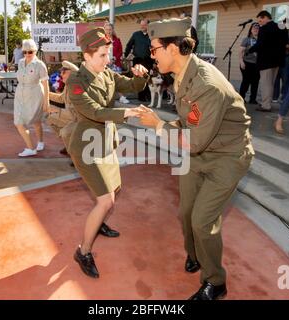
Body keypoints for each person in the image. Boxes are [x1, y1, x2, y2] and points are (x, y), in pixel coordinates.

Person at [139, 18, 254, 300]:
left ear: (173, 49)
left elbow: (194, 140)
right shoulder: (181, 76)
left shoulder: (206, 84)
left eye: (154, 49)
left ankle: (216, 281)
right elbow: (189, 123)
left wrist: (156, 125)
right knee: (185, 213)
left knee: (202, 221)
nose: (151, 55)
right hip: (199, 152)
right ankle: (196, 255)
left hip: (226, 156)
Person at [66, 27, 149, 278]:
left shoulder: (108, 76)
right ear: (87, 56)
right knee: (106, 200)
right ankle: (84, 251)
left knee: (116, 189)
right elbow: (95, 112)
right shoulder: (76, 81)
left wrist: (141, 74)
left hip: (106, 142)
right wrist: (127, 112)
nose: (107, 60)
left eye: (108, 54)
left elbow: (131, 84)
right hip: (87, 147)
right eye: (102, 55)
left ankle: (99, 222)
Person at [13, 39, 50, 157]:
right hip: (20, 94)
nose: (27, 55)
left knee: (36, 121)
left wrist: (46, 101)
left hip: (35, 94)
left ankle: (40, 141)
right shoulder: (20, 62)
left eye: (30, 52)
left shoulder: (40, 65)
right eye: (25, 52)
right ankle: (30, 148)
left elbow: (45, 84)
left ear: (35, 51)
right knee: (19, 122)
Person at [249, 10, 288, 112]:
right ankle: (267, 103)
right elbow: (286, 41)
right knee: (271, 83)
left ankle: (266, 105)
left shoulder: (264, 29)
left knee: (266, 83)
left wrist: (250, 49)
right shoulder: (281, 26)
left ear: (265, 17)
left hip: (265, 61)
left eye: (260, 21)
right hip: (277, 60)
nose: (260, 23)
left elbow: (260, 44)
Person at [47, 60, 79, 156]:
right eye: (61, 72)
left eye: (64, 72)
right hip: (72, 117)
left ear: (71, 73)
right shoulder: (69, 85)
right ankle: (69, 144)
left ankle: (76, 153)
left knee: (64, 129)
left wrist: (57, 111)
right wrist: (46, 94)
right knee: (51, 119)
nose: (61, 74)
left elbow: (77, 111)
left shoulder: (77, 87)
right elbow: (61, 98)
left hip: (78, 120)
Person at [124, 19, 153, 102]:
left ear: (148, 25)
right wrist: (126, 55)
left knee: (148, 78)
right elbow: (129, 45)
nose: (142, 26)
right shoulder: (136, 34)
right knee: (140, 78)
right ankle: (141, 97)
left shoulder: (151, 35)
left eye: (144, 25)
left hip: (148, 60)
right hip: (138, 60)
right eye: (141, 25)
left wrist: (155, 61)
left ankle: (148, 96)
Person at [273, 18, 289, 103]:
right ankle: (274, 97)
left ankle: (284, 97)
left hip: (286, 58)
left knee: (285, 78)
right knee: (276, 78)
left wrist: (285, 45)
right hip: (276, 58)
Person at [104, 22, 130, 104]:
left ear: (112, 30)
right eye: (107, 30)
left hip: (115, 64)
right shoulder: (102, 40)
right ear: (104, 30)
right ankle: (105, 97)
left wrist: (114, 59)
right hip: (104, 63)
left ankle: (122, 97)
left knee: (117, 80)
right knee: (105, 81)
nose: (109, 31)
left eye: (110, 29)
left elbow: (120, 51)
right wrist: (107, 60)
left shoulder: (117, 40)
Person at [239, 22, 260, 104]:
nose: (256, 30)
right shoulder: (246, 39)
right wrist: (241, 62)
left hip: (257, 64)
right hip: (247, 63)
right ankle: (241, 98)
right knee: (246, 81)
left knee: (255, 82)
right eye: (254, 28)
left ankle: (253, 99)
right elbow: (240, 52)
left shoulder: (261, 40)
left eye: (257, 28)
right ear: (251, 30)